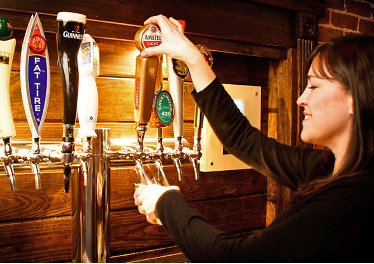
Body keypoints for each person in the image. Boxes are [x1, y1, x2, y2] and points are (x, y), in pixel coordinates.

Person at [134, 14, 374, 262]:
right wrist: (193, 58)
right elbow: (243, 140)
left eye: (313, 86)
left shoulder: (348, 202)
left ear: (354, 99)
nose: (301, 99)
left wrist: (166, 202)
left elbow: (232, 258)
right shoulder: (327, 168)